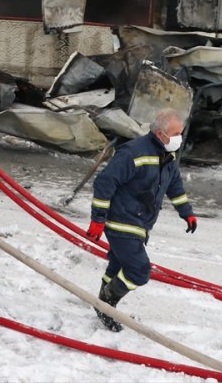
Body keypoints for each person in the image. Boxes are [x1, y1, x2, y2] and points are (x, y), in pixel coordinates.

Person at [85, 108, 197, 331]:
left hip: (140, 222)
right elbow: (105, 182)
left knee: (119, 265)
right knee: (139, 270)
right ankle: (107, 303)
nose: (179, 139)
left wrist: (187, 212)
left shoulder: (167, 156)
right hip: (121, 221)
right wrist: (98, 219)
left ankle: (103, 303)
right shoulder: (133, 153)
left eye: (181, 133)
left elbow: (174, 185)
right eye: (176, 134)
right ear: (160, 134)